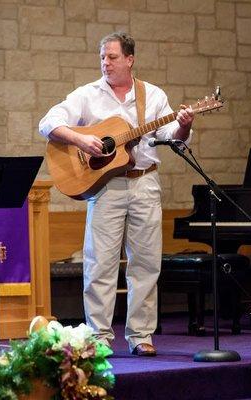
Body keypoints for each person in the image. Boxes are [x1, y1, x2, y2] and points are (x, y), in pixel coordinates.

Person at [39, 32, 195, 356]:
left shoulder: (151, 95)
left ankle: (140, 336)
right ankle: (98, 339)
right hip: (106, 186)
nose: (105, 63)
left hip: (145, 182)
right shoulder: (87, 95)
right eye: (102, 57)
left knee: (146, 264)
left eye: (111, 57)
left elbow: (173, 139)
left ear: (129, 59)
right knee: (99, 265)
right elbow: (48, 123)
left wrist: (183, 125)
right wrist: (81, 141)